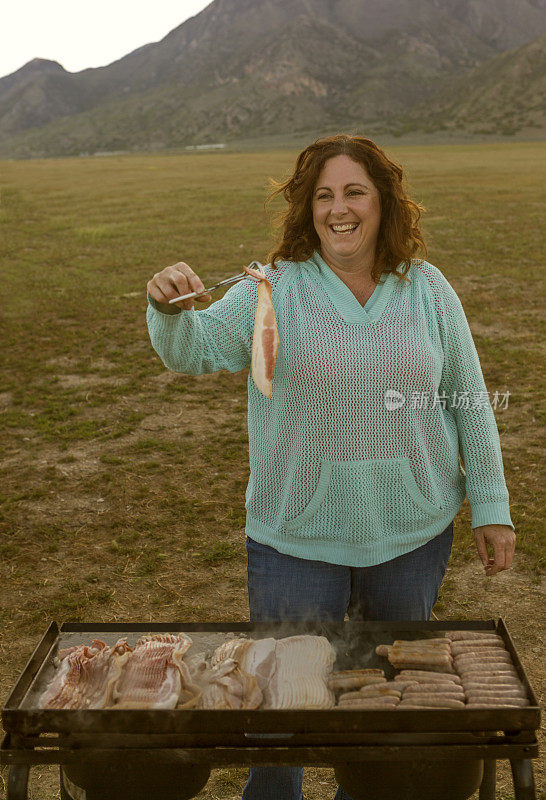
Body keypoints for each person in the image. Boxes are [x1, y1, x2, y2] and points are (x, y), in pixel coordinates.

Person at [146, 134, 516, 800]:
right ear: (306, 209)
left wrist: (491, 506)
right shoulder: (275, 287)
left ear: (384, 203)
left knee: (387, 707)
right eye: (323, 196)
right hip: (296, 539)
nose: (338, 210)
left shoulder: (427, 290)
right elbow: (194, 349)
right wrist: (167, 309)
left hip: (411, 534)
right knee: (280, 713)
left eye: (354, 193)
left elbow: (467, 398)